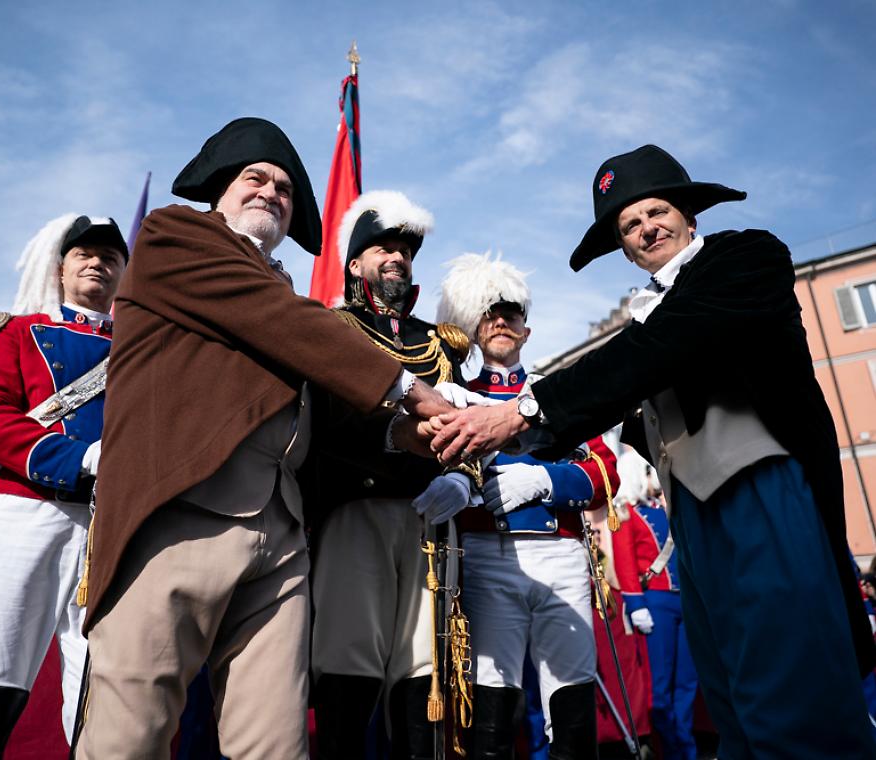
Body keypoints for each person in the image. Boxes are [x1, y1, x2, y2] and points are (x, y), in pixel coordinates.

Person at [430, 145, 876, 758]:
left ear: (690, 216)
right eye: (629, 225)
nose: (646, 228)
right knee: (732, 703)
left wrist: (523, 414)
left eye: (657, 211)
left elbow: (651, 354)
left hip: (756, 492)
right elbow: (619, 393)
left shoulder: (744, 257)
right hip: (691, 518)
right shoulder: (648, 319)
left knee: (793, 694)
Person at [75, 117, 452, 759]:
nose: (272, 192)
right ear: (219, 189)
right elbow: (287, 322)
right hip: (178, 516)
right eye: (256, 177)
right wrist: (418, 395)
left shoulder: (277, 291)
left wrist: (410, 436)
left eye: (284, 187)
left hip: (280, 534)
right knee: (128, 736)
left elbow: (323, 409)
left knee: (275, 744)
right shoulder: (174, 236)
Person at [418, 253, 618, 759]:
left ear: (526, 331)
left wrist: (544, 479)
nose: (502, 322)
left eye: (512, 314)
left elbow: (604, 473)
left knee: (572, 694)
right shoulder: (454, 396)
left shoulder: (557, 395)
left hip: (563, 557)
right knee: (493, 698)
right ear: (475, 327)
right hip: (488, 555)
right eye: (490, 314)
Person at [0, 214, 128, 758]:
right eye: (84, 254)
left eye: (111, 257)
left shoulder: (141, 348)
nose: (98, 262)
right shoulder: (18, 332)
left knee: (100, 688)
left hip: (108, 525)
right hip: (25, 512)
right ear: (60, 268)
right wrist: (79, 457)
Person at [306, 190, 469, 758]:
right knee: (348, 659)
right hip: (358, 507)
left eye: (404, 249)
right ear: (354, 264)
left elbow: (467, 421)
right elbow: (328, 421)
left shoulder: (437, 342)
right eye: (382, 248)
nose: (396, 257)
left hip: (429, 520)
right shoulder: (333, 328)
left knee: (425, 671)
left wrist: (464, 479)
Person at [612, 448, 697, 760]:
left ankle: (685, 748)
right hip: (656, 603)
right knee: (659, 690)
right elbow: (624, 562)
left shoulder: (669, 510)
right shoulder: (626, 515)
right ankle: (671, 750)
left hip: (684, 602)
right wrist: (635, 604)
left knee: (687, 683)